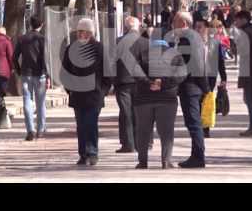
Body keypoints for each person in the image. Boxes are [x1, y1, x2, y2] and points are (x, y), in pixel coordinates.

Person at [131, 34, 187, 169]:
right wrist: (162, 84)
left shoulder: (142, 54)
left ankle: (142, 161)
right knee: (166, 131)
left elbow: (135, 72)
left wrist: (149, 83)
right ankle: (166, 161)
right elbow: (182, 75)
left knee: (143, 131)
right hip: (167, 98)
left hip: (143, 99)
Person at [61, 18, 111, 166]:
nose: (78, 34)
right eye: (78, 32)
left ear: (89, 33)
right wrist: (69, 89)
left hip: (94, 94)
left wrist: (103, 91)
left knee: (90, 123)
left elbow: (108, 72)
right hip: (77, 94)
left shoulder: (99, 48)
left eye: (81, 31)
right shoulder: (71, 49)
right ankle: (83, 154)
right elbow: (65, 71)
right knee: (81, 125)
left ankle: (92, 152)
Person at [167, 11, 210, 168]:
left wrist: (205, 88)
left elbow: (195, 64)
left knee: (193, 122)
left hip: (190, 85)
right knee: (193, 121)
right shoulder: (192, 37)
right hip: (193, 85)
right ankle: (196, 154)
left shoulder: (187, 39)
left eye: (175, 22)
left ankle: (198, 156)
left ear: (183, 24)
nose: (172, 25)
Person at [13, 16, 50, 141]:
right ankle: (40, 129)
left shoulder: (22, 39)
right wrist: (47, 75)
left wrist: (19, 71)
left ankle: (30, 130)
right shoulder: (42, 39)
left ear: (30, 25)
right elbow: (45, 58)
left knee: (27, 102)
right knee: (41, 103)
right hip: (40, 74)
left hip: (25, 74)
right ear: (41, 25)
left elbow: (14, 57)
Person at [194, 19, 227, 138]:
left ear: (207, 29)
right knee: (196, 102)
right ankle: (198, 128)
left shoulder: (215, 43)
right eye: (196, 27)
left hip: (210, 77)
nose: (197, 29)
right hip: (195, 78)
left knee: (206, 102)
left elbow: (220, 62)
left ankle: (205, 128)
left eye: (200, 27)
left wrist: (224, 78)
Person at [113, 16, 141, 153]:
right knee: (140, 112)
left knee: (125, 113)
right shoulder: (146, 43)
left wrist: (111, 82)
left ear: (125, 28)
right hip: (141, 83)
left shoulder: (117, 42)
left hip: (122, 82)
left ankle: (128, 144)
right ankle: (142, 142)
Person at [234, 10, 252, 137]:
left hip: (248, 69)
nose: (236, 22)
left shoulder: (245, 33)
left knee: (249, 99)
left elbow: (241, 50)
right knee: (251, 99)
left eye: (237, 20)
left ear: (243, 19)